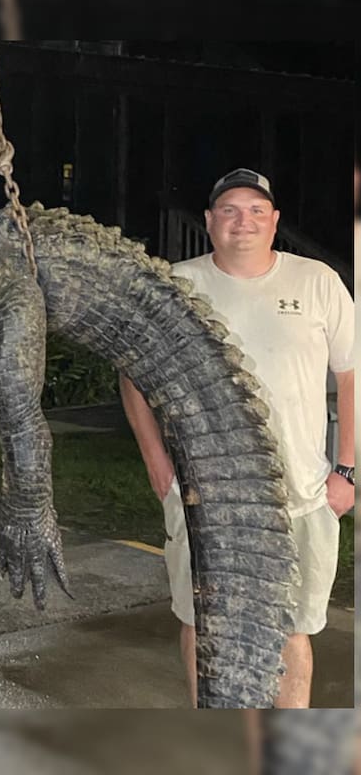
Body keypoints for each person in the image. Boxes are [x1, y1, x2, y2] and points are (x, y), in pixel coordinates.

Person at [120, 167, 354, 708]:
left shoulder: (316, 281)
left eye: (254, 210)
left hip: (298, 493)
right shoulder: (177, 286)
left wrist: (345, 470)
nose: (241, 221)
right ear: (209, 221)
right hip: (204, 497)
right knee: (203, 624)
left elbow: (351, 375)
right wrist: (158, 461)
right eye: (229, 210)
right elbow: (132, 373)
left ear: (274, 221)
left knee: (292, 629)